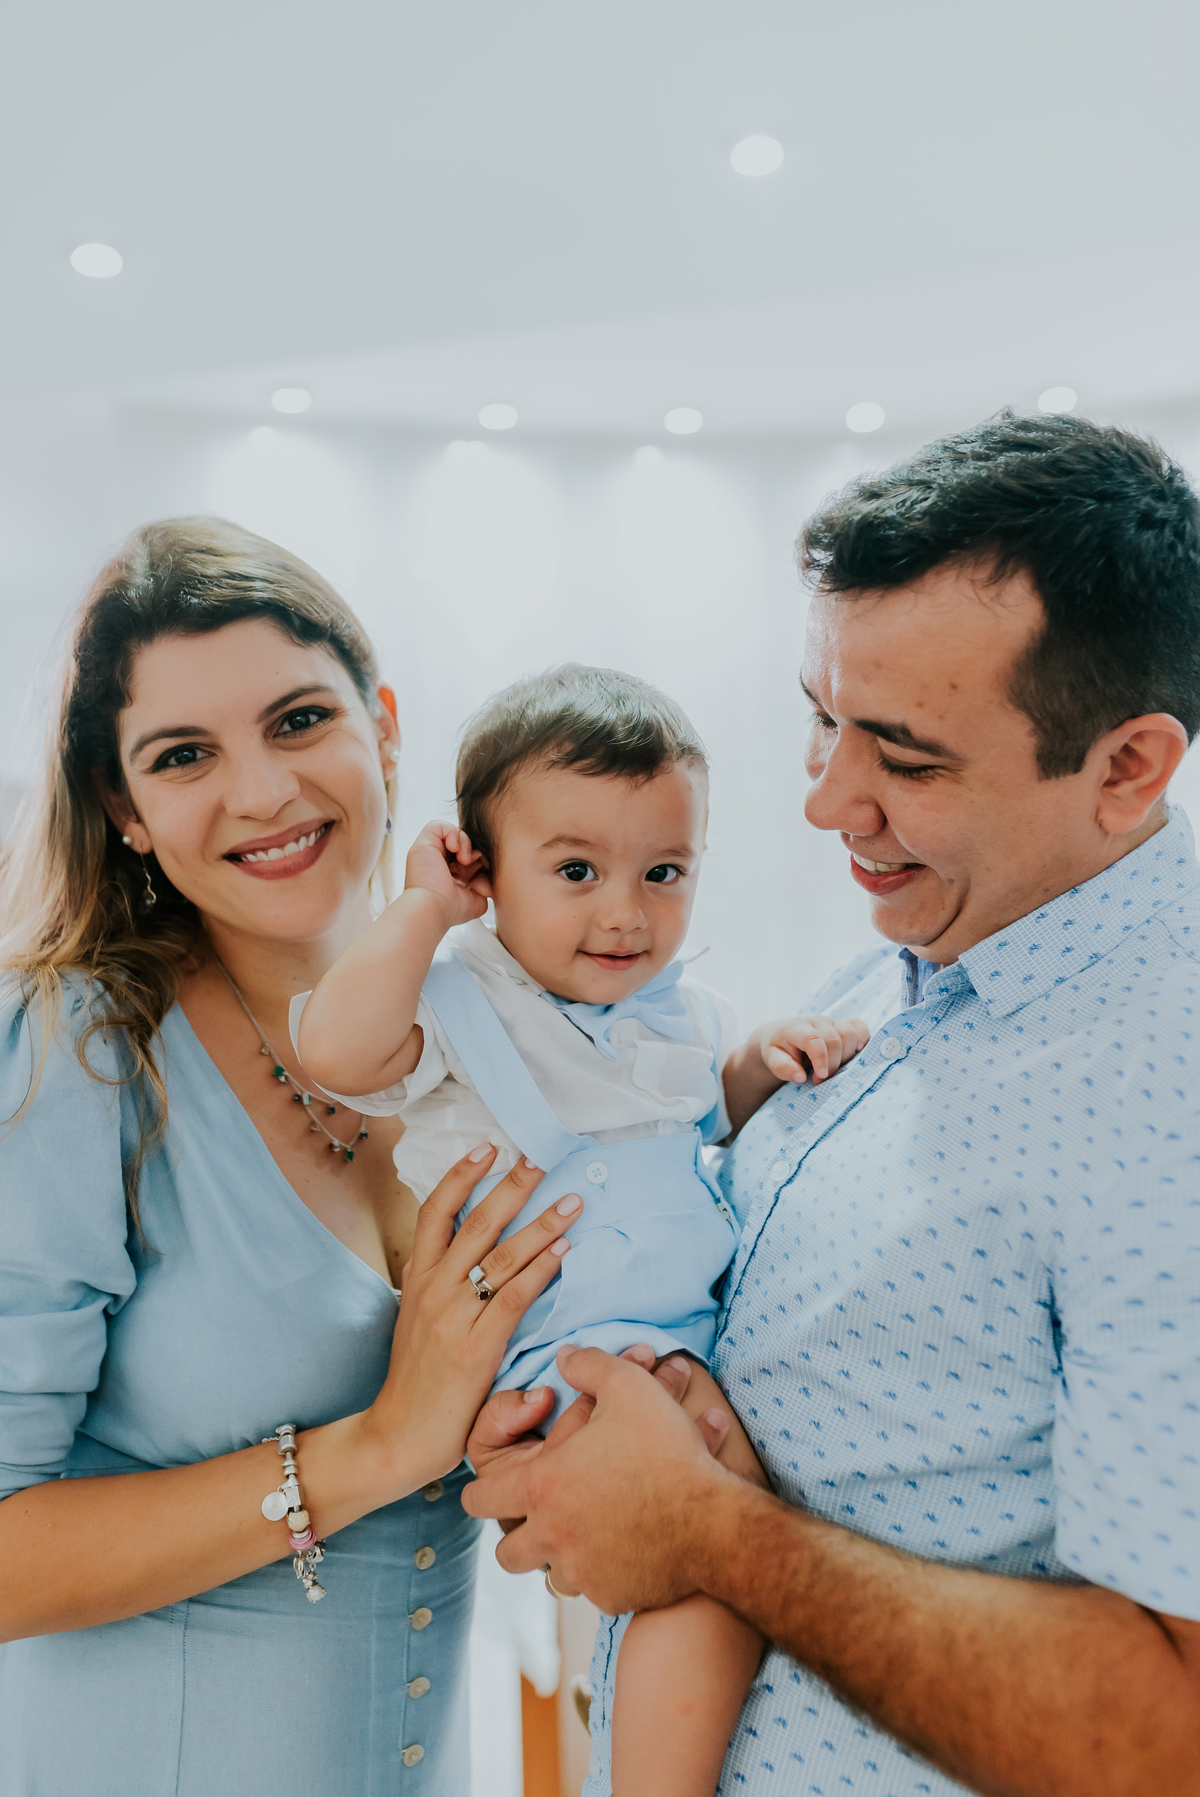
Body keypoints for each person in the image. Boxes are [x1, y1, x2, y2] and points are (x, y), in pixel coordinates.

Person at [462, 411, 1200, 1797]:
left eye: (905, 760)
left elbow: (1173, 1731)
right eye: (822, 721)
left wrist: (707, 1533)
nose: (825, 803)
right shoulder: (905, 959)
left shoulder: (1172, 1100)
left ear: (1126, 768)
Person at [0, 517, 585, 1797]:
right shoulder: (71, 1055)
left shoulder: (489, 1023)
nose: (262, 792)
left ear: (385, 728)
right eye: (184, 755)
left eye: (300, 721)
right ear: (125, 809)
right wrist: (382, 1445)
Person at [292, 663, 868, 1797]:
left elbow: (705, 1116)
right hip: (563, 1361)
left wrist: (763, 1062)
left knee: (721, 1572)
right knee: (706, 1577)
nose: (625, 912)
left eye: (665, 871)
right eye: (575, 871)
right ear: (485, 871)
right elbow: (339, 1054)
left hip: (681, 1347)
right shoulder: (458, 999)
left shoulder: (678, 1011)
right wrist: (423, 910)